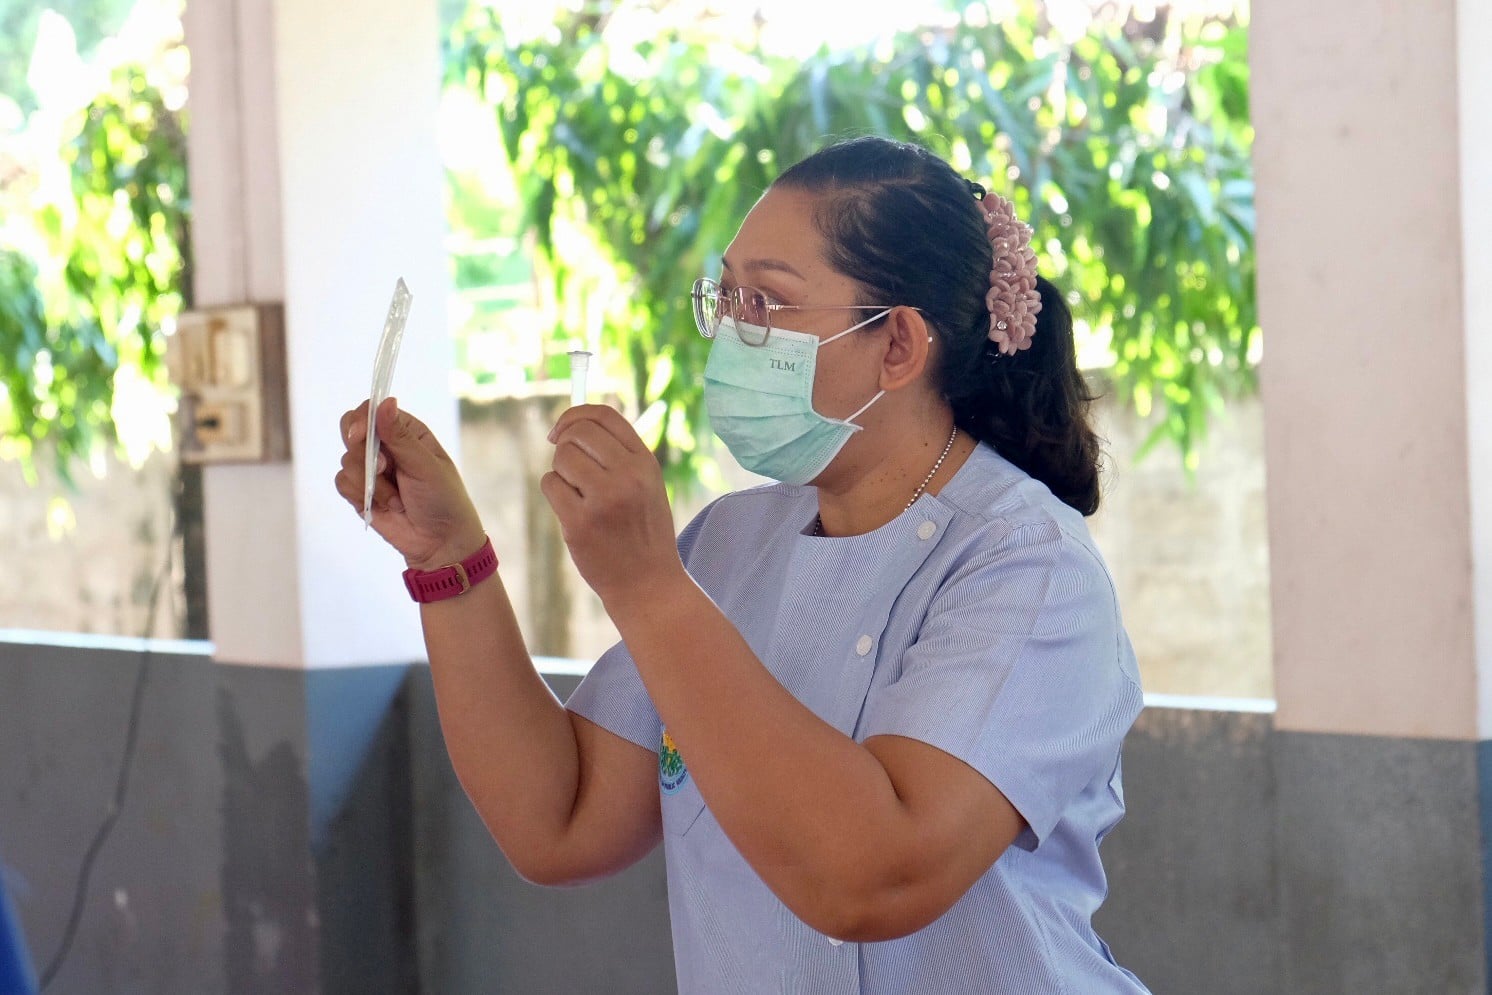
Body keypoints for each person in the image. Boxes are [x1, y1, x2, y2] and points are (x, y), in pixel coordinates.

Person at [336, 135, 1149, 993]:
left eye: (766, 301)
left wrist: (646, 586)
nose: (731, 332)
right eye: (725, 297)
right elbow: (560, 819)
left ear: (898, 345)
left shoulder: (1026, 567)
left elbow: (873, 873)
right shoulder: (731, 543)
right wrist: (449, 559)